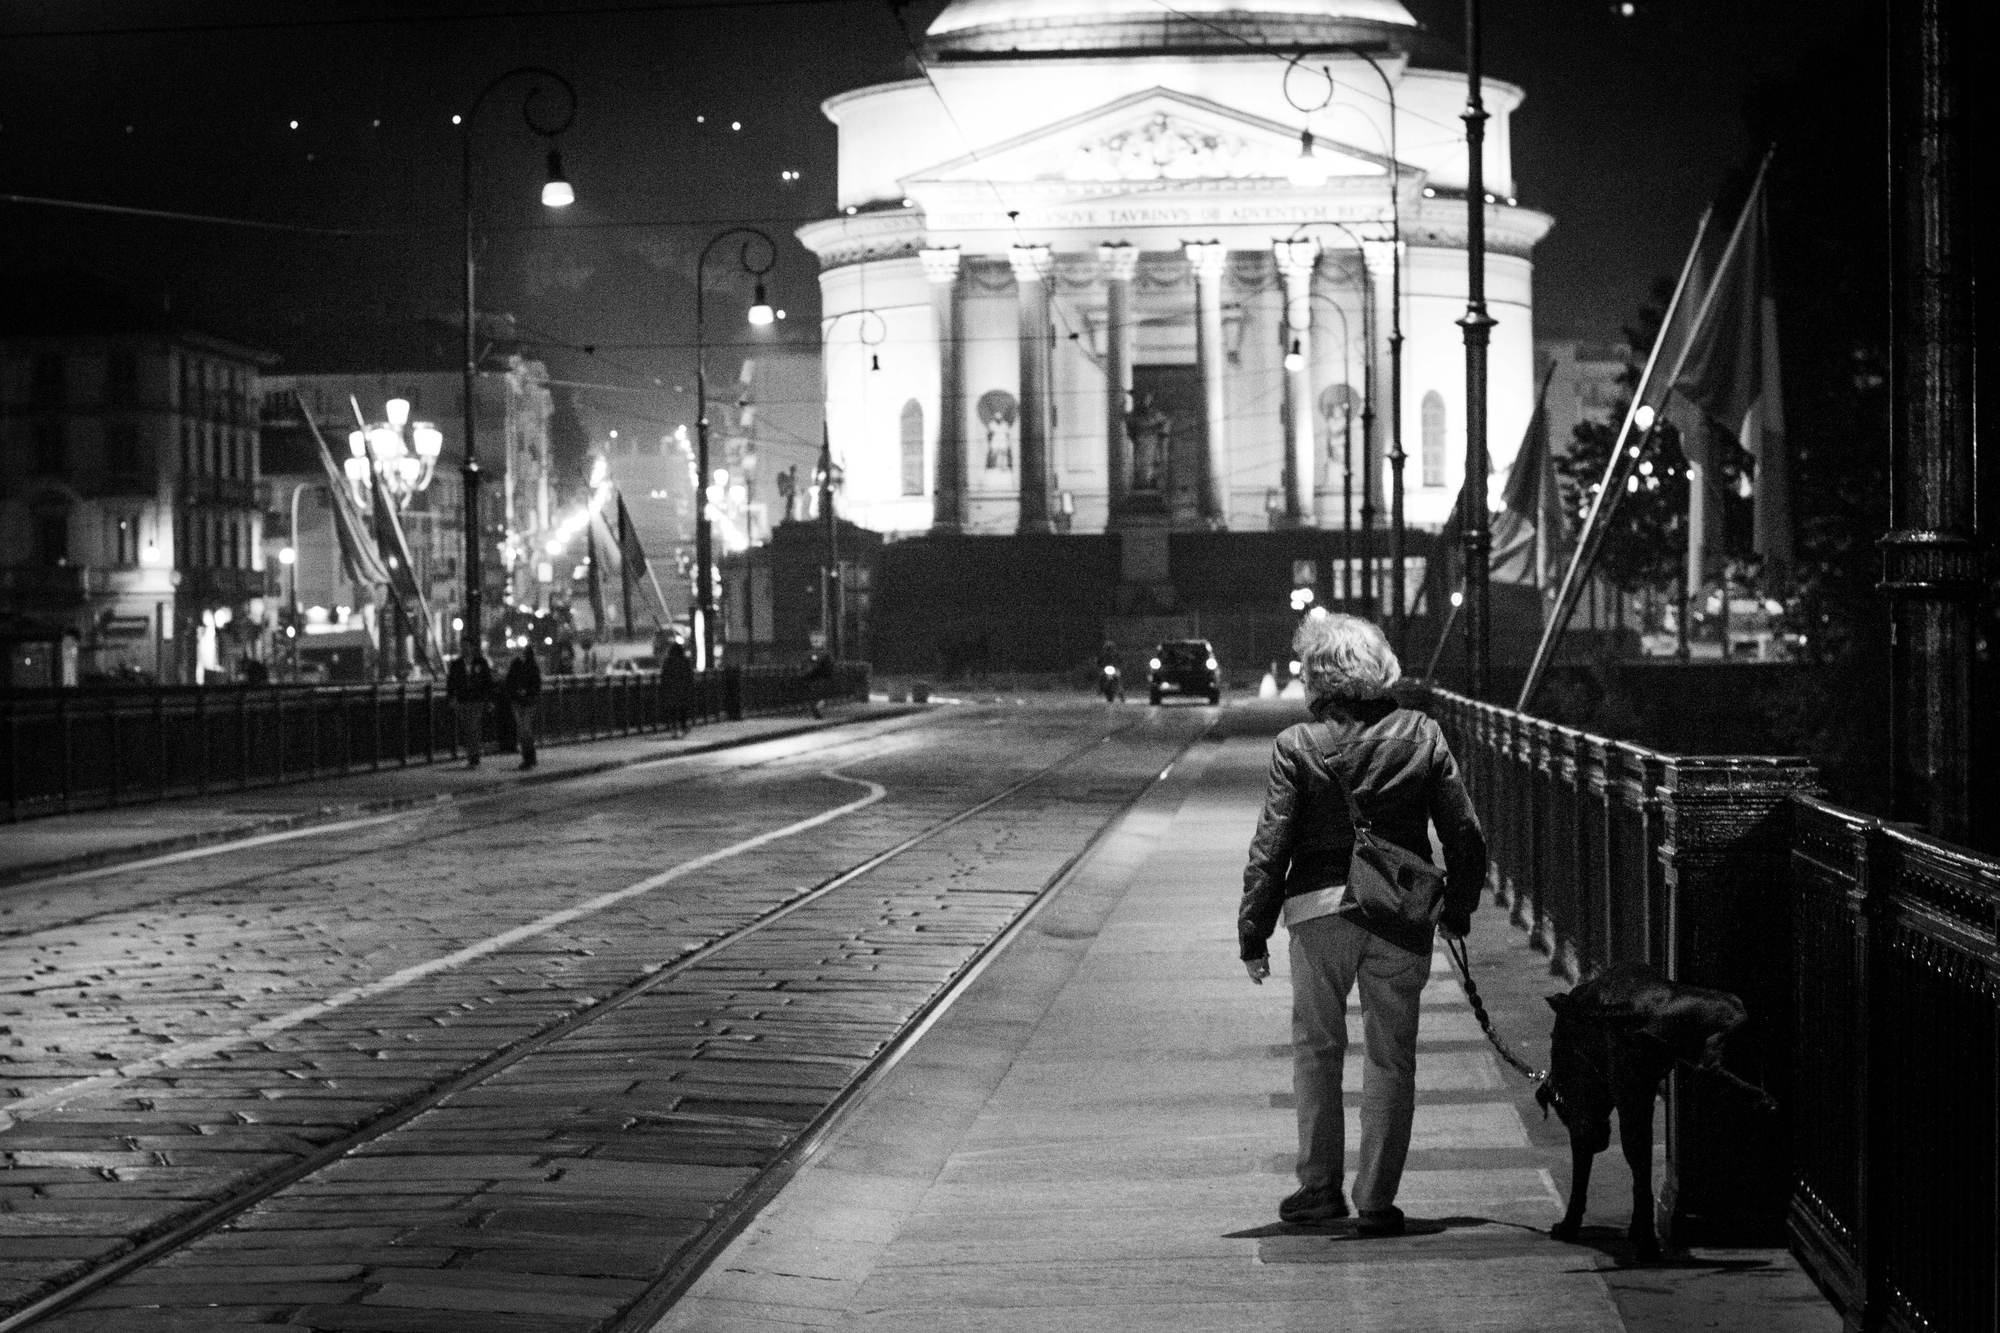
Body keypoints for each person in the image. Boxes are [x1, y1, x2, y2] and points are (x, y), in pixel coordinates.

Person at [1237, 613, 1486, 1236]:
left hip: (1318, 915)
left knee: (1317, 1050)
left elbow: (1271, 845)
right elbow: (1465, 835)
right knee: (1391, 1056)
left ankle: (1318, 1189)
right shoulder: (1422, 734)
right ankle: (1376, 1199)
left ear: (1316, 675)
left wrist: (1253, 930)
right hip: (1399, 915)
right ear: (1380, 669)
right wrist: (1457, 910)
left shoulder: (1297, 745)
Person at [445, 639, 494, 768]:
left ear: (472, 648)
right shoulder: (456, 664)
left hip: (477, 700)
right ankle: (472, 754)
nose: (465, 649)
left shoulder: (481, 663)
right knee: (467, 729)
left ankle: (474, 756)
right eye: (463, 646)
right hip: (463, 700)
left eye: (467, 646)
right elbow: (451, 683)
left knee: (474, 727)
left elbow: (487, 681)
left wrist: (488, 699)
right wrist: (452, 698)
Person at [504, 647, 543, 769]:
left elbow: (536, 685)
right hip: (520, 701)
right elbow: (509, 682)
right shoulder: (516, 665)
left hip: (527, 702)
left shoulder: (532, 667)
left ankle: (528, 756)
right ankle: (529, 755)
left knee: (524, 728)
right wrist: (517, 692)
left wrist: (525, 692)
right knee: (522, 730)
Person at [661, 637, 694, 736]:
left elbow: (664, 676)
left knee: (673, 710)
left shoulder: (668, 662)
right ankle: (683, 727)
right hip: (683, 690)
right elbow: (689, 675)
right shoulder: (684, 661)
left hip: (671, 691)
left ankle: (674, 728)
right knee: (683, 710)